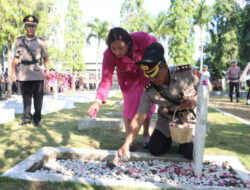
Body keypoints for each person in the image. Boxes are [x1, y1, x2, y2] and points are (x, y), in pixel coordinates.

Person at [118, 42, 200, 160]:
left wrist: (195, 99)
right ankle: (169, 139)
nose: (152, 79)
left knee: (190, 152)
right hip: (166, 122)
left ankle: (184, 143)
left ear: (165, 68)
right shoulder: (149, 90)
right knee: (154, 149)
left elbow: (208, 86)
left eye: (155, 76)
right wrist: (127, 143)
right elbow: (139, 117)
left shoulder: (185, 73)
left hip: (186, 120)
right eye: (149, 76)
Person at [87, 27, 157, 150]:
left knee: (147, 102)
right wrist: (97, 101)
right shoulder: (108, 55)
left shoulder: (141, 38)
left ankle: (146, 134)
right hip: (127, 78)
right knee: (129, 105)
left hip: (144, 72)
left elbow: (155, 47)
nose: (117, 52)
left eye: (120, 48)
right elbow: (106, 79)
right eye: (113, 48)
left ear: (128, 42)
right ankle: (129, 138)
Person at [11, 15, 50, 126]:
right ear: (25, 27)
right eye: (29, 26)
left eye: (33, 26)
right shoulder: (19, 41)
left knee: (38, 99)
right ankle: (27, 118)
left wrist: (48, 71)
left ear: (36, 27)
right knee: (26, 98)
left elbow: (45, 58)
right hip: (23, 73)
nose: (31, 28)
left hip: (37, 73)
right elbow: (16, 59)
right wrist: (13, 73)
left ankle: (37, 119)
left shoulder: (41, 42)